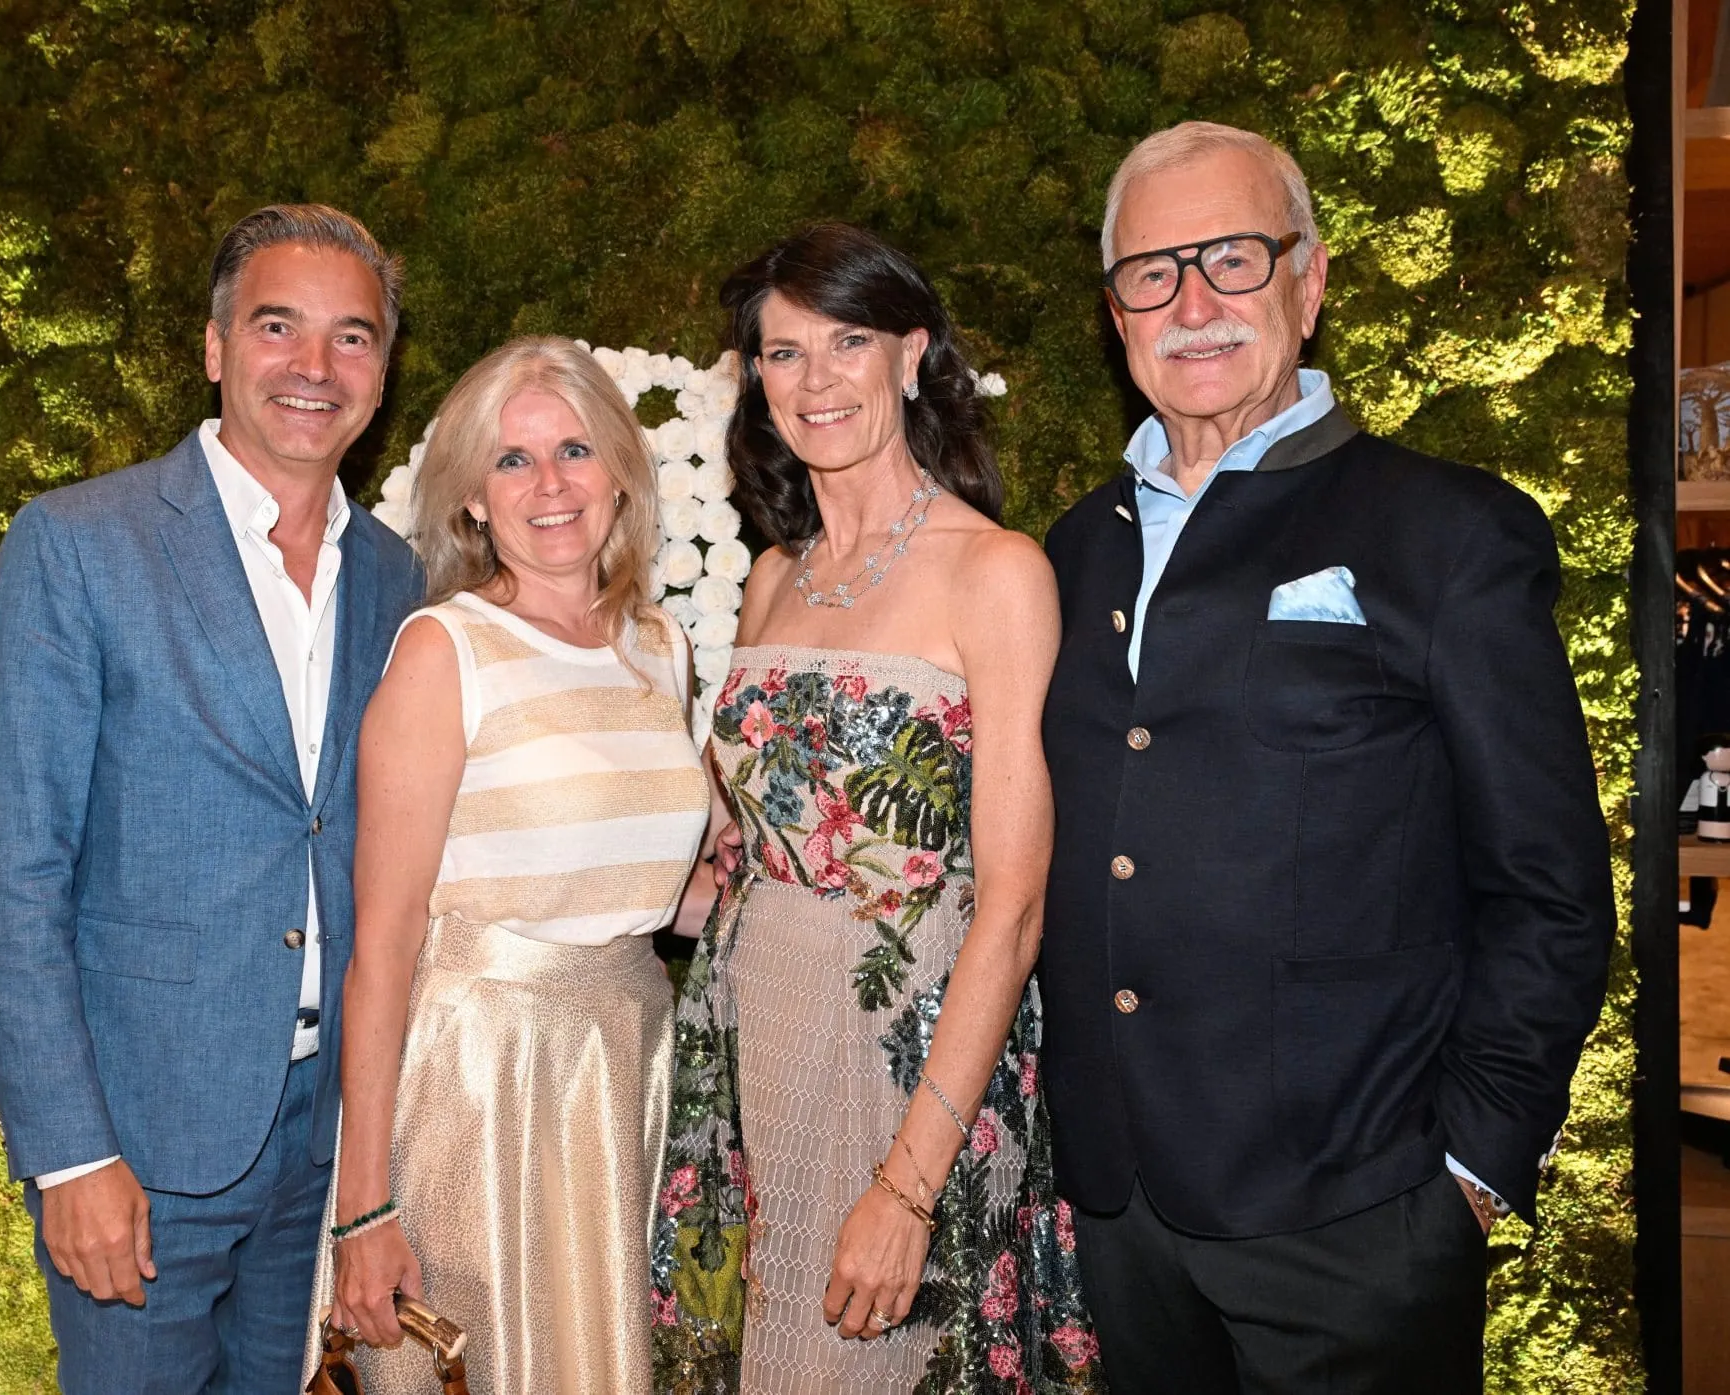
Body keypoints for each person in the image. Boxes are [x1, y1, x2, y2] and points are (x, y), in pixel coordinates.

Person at [1039, 120, 1616, 1394]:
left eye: (1233, 258)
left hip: (1360, 1219)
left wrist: (1468, 1169)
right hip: (1119, 1214)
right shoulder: (1062, 558)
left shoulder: (1449, 534)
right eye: (1152, 270)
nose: (1193, 302)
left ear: (1310, 279)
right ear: (1114, 310)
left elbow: (1550, 890)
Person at [0, 205, 424, 1394]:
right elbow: (17, 879)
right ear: (217, 348)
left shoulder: (397, 576)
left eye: (353, 337)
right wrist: (71, 1158)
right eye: (279, 327)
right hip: (142, 1144)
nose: (314, 369)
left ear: (382, 371)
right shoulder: (79, 545)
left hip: (323, 1146)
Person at [655, 224, 1098, 1395]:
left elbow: (1009, 907)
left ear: (912, 357)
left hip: (903, 1064)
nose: (816, 379)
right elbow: (742, 852)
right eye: (782, 352)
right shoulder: (769, 576)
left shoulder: (993, 572)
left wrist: (908, 1188)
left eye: (847, 341)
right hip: (753, 1051)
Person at [319, 336, 710, 1394]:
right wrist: (364, 1207)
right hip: (476, 1081)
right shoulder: (445, 650)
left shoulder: (658, 648)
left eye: (575, 449)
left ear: (620, 472)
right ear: (470, 502)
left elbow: (664, 894)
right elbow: (381, 949)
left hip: (621, 1067)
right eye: (511, 460)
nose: (550, 485)